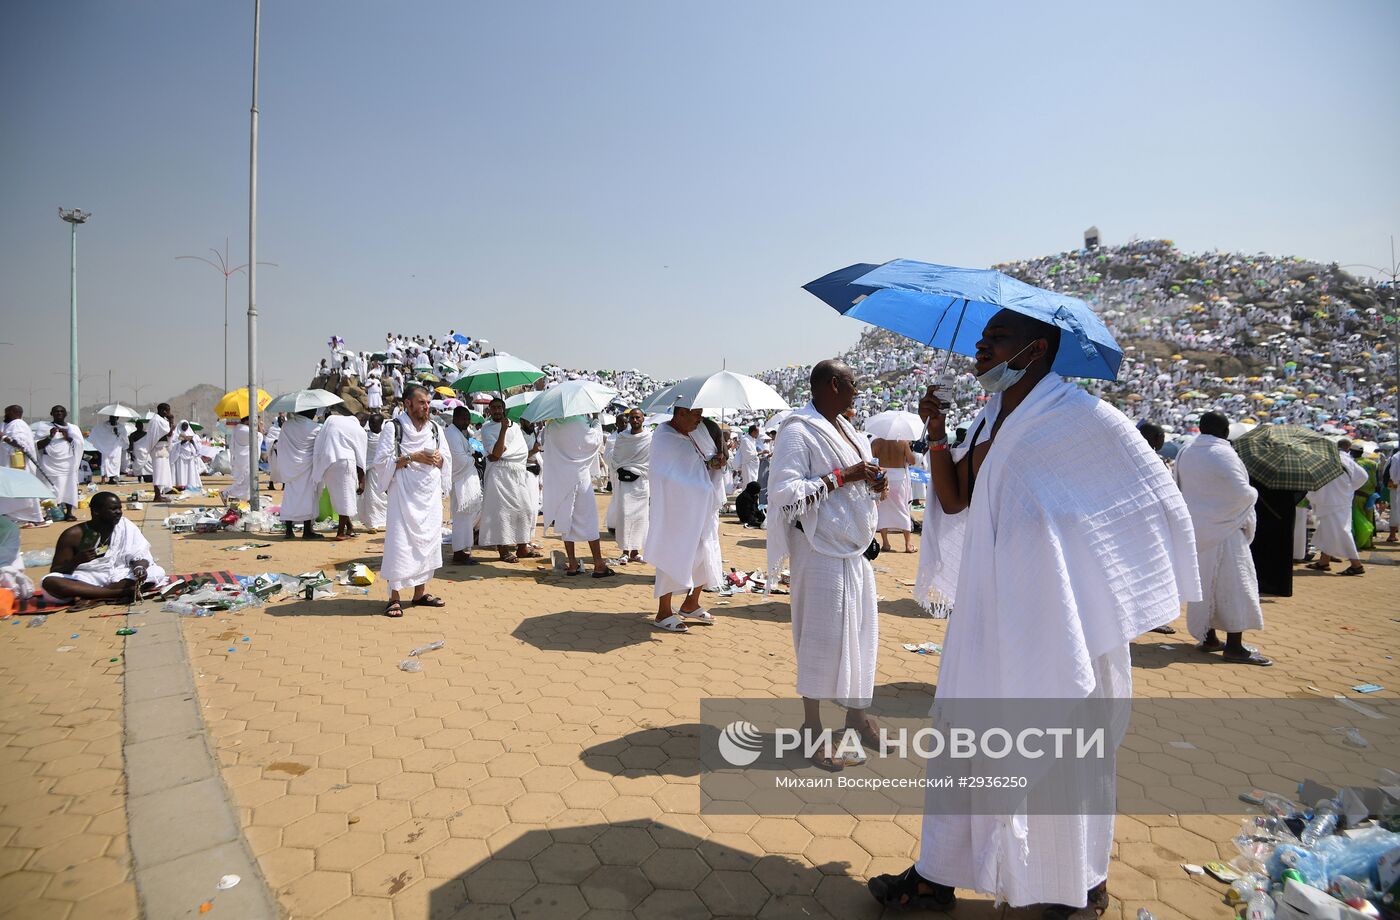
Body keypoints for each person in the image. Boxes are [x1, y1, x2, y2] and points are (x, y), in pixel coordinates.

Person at [868, 309, 1199, 916]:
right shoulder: (992, 418)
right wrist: (938, 430)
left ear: (1036, 349)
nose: (981, 351)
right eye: (981, 340)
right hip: (992, 613)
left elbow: (1149, 509)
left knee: (1062, 748)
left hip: (1064, 619)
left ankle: (1077, 882)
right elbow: (954, 496)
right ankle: (938, 873)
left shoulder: (1085, 422)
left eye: (996, 341)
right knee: (968, 744)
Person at [768, 360, 887, 770]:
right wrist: (845, 476)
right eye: (853, 382)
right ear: (833, 385)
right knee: (820, 640)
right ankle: (811, 728)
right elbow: (785, 494)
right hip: (819, 550)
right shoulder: (798, 429)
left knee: (860, 632)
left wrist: (875, 485)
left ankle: (856, 716)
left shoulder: (849, 429)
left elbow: (860, 483)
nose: (858, 389)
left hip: (854, 549)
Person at [1174, 413, 1271, 665]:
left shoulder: (1187, 451)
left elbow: (1180, 485)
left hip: (1198, 528)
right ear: (1224, 430)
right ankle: (1235, 647)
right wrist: (1254, 493)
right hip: (1225, 530)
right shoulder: (1224, 454)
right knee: (1235, 587)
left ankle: (1209, 638)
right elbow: (1241, 492)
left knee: (1205, 585)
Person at [644, 405, 726, 633]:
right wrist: (698, 486)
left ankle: (691, 603)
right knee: (673, 554)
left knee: (704, 552)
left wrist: (713, 464)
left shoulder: (696, 433)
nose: (699, 420)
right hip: (676, 510)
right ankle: (663, 613)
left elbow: (697, 466)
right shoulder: (664, 436)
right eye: (696, 415)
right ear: (681, 413)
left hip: (701, 507)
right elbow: (664, 474)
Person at [372, 384, 451, 616]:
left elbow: (446, 457)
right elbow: (381, 461)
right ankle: (394, 597)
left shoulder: (436, 428)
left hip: (428, 495)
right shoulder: (393, 428)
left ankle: (419, 593)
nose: (426, 407)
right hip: (403, 495)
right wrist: (412, 457)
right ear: (408, 404)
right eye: (421, 403)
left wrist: (439, 459)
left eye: (428, 403)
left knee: (427, 542)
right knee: (400, 543)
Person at [40, 492, 167, 605]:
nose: (119, 512)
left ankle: (94, 595)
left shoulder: (125, 525)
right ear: (96, 511)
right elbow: (56, 570)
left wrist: (139, 568)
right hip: (87, 577)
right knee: (49, 582)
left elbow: (140, 554)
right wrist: (76, 561)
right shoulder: (73, 534)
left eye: (119, 508)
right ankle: (116, 594)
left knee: (157, 571)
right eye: (113, 509)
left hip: (120, 572)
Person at [540, 415, 613, 577]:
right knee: (589, 519)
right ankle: (598, 563)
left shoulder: (551, 425)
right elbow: (593, 441)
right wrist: (595, 421)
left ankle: (572, 564)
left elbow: (545, 443)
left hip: (561, 479)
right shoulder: (578, 421)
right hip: (580, 477)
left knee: (565, 519)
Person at [479, 397, 538, 562]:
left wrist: (502, 451)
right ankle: (503, 550)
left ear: (504, 409)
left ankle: (522, 547)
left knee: (525, 509)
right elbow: (497, 454)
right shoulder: (487, 428)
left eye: (499, 407)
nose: (497, 411)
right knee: (501, 513)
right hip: (499, 475)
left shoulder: (516, 427)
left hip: (517, 473)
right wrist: (503, 430)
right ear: (489, 411)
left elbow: (521, 452)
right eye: (494, 408)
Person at [1304, 438, 1367, 576]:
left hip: (1330, 501)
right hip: (1341, 500)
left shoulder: (1325, 460)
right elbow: (1363, 477)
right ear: (1348, 449)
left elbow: (1316, 479)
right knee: (1327, 530)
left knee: (1341, 532)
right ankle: (1323, 562)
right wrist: (1349, 489)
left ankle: (1356, 565)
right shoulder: (1349, 460)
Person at [312, 413, 368, 540]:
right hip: (345, 462)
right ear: (363, 422)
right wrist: (362, 480)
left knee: (337, 496)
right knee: (346, 497)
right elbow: (361, 458)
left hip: (327, 461)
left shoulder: (333, 420)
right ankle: (341, 533)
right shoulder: (359, 431)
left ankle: (349, 526)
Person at [271, 409, 324, 540]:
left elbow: (281, 445)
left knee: (289, 498)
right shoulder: (316, 427)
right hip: (307, 467)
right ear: (310, 413)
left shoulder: (287, 425)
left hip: (289, 467)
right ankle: (307, 531)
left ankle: (289, 531)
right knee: (308, 498)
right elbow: (319, 448)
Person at [610, 408, 652, 562]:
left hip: (641, 482)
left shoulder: (649, 437)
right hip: (624, 482)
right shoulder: (622, 437)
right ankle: (625, 551)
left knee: (640, 517)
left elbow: (652, 460)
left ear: (643, 419)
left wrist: (638, 470)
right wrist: (624, 468)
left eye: (637, 418)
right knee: (624, 516)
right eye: (632, 418)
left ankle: (635, 551)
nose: (635, 421)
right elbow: (615, 458)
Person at [446, 407, 484, 565]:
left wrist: (473, 452)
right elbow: (459, 459)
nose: (467, 422)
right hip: (460, 480)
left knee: (467, 517)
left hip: (467, 480)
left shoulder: (463, 432)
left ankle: (464, 550)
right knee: (462, 517)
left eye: (468, 419)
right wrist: (472, 458)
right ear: (455, 418)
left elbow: (476, 449)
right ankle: (459, 552)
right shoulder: (451, 433)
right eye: (463, 418)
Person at [36, 406, 85, 521]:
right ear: (51, 413)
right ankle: (50, 513)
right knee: (49, 488)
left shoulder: (73, 428)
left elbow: (79, 445)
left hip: (68, 464)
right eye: (56, 411)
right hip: (49, 464)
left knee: (69, 487)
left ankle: (69, 513)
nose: (59, 413)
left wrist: (67, 437)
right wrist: (50, 436)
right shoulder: (44, 427)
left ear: (65, 414)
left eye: (61, 411)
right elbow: (37, 446)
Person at [1, 405, 46, 526]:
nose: (5, 415)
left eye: (6, 412)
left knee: (23, 492)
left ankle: (37, 519)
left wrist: (3, 437)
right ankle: (23, 519)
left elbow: (20, 444)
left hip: (18, 465)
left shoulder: (17, 425)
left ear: (13, 412)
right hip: (10, 466)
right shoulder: (11, 424)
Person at [871, 436, 916, 552]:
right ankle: (908, 544)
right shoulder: (902, 442)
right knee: (903, 509)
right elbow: (913, 461)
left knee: (883, 510)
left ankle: (886, 543)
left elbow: (871, 460)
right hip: (899, 479)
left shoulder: (876, 443)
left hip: (883, 476)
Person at [357, 414, 389, 532]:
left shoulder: (386, 437)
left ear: (380, 424)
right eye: (370, 423)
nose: (371, 425)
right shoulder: (365, 437)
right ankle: (372, 524)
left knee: (384, 499)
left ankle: (385, 522)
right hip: (370, 473)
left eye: (374, 423)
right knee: (371, 499)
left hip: (383, 472)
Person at [141, 404, 176, 502]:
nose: (169, 413)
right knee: (158, 473)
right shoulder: (157, 420)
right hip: (158, 449)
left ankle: (160, 493)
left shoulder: (161, 420)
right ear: (164, 411)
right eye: (168, 411)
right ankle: (157, 496)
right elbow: (168, 432)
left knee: (163, 472)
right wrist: (171, 421)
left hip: (163, 448)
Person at [88, 415, 128, 484]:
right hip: (105, 448)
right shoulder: (103, 426)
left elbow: (124, 438)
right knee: (105, 463)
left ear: (117, 418)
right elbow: (97, 432)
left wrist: (117, 433)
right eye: (111, 417)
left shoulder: (121, 427)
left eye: (113, 417)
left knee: (115, 464)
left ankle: (112, 479)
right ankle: (103, 479)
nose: (111, 419)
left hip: (116, 448)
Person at [170, 420, 204, 491]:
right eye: (183, 426)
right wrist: (181, 443)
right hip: (180, 456)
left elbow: (198, 449)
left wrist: (192, 442)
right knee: (181, 471)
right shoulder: (176, 435)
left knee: (190, 472)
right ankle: (181, 485)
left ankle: (190, 484)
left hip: (189, 456)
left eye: (186, 426)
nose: (185, 427)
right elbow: (172, 446)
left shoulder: (191, 434)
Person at [227, 417, 253, 502]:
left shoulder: (236, 429)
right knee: (244, 480)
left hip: (239, 458)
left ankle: (247, 497)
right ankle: (226, 493)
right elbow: (258, 436)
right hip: (247, 459)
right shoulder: (245, 430)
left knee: (245, 480)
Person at [737, 424, 765, 490]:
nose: (758, 434)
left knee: (752, 484)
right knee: (748, 484)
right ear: (753, 432)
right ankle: (746, 499)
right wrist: (762, 452)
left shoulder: (752, 440)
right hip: (748, 465)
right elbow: (749, 455)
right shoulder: (746, 440)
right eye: (757, 432)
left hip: (753, 466)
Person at [128, 419, 152, 484]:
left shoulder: (146, 434)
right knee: (137, 466)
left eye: (141, 425)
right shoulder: (132, 435)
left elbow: (149, 443)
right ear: (136, 426)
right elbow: (131, 445)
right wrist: (130, 454)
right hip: (137, 452)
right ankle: (139, 478)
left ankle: (147, 477)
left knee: (147, 465)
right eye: (138, 425)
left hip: (146, 452)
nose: (140, 427)